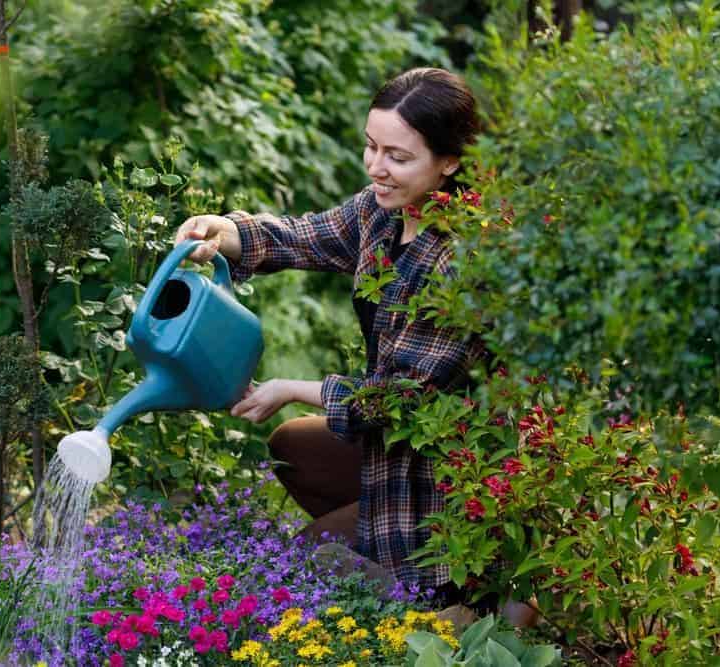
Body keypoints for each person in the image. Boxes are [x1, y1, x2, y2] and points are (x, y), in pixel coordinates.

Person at [174, 67, 535, 624]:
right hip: (400, 448)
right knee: (292, 445)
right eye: (371, 147)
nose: (375, 167)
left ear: (451, 161)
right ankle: (402, 567)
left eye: (397, 156)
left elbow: (400, 400)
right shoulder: (384, 211)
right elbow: (305, 235)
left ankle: (462, 600)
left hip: (452, 470)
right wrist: (226, 232)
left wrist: (292, 388)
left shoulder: (467, 256)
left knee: (304, 565)